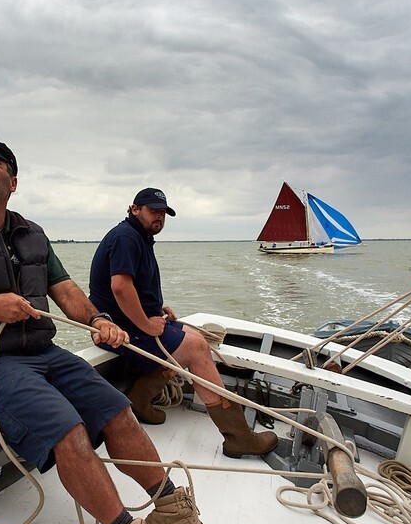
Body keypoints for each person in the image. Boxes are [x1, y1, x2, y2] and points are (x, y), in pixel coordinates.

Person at [0, 140, 215, 524]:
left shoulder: (31, 234)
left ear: (12, 182)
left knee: (117, 410)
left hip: (43, 352)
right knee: (67, 429)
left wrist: (98, 319)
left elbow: (65, 289)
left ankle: (172, 512)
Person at [89, 188, 278, 458]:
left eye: (163, 213)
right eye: (153, 210)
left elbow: (134, 286)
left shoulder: (138, 237)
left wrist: (157, 309)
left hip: (132, 323)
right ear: (134, 209)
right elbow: (119, 287)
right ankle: (238, 437)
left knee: (189, 332)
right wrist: (145, 323)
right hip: (122, 331)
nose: (159, 217)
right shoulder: (125, 237)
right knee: (196, 348)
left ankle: (140, 399)